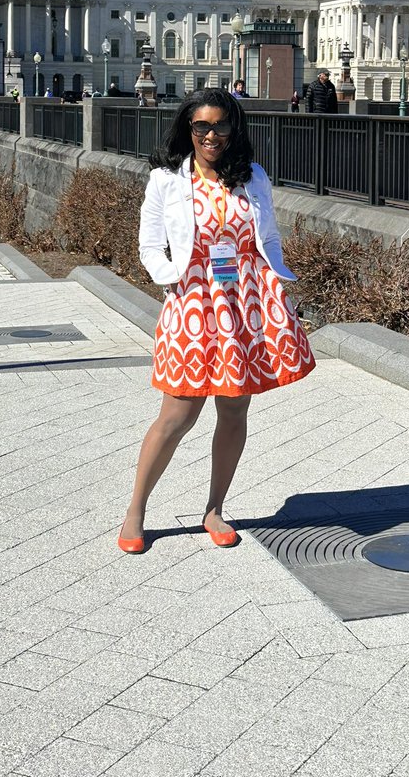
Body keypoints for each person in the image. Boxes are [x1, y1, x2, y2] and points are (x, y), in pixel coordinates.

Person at [119, 88, 315, 553]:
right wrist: (170, 278)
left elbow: (268, 235)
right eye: (202, 126)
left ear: (234, 127)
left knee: (234, 409)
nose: (211, 135)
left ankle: (214, 509)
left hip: (246, 301)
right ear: (188, 129)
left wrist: (276, 280)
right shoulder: (167, 179)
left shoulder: (253, 176)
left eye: (220, 125)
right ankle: (135, 511)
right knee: (178, 413)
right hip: (194, 300)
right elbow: (149, 243)